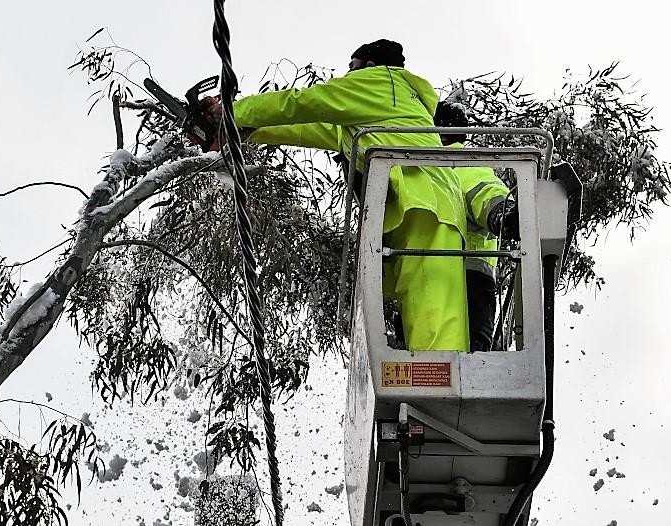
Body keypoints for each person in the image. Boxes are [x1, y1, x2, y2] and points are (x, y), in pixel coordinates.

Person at [208, 40, 470, 351]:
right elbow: (312, 127)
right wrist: (250, 130)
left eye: (353, 67)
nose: (348, 74)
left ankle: (445, 392)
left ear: (371, 66)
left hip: (427, 204)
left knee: (438, 325)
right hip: (413, 207)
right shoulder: (375, 111)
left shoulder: (379, 82)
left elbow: (302, 102)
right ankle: (432, 389)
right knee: (423, 311)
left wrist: (231, 112)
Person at [434, 101, 520, 351]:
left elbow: (486, 191)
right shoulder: (435, 165)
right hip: (470, 281)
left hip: (463, 282)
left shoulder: (457, 164)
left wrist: (501, 213)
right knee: (470, 367)